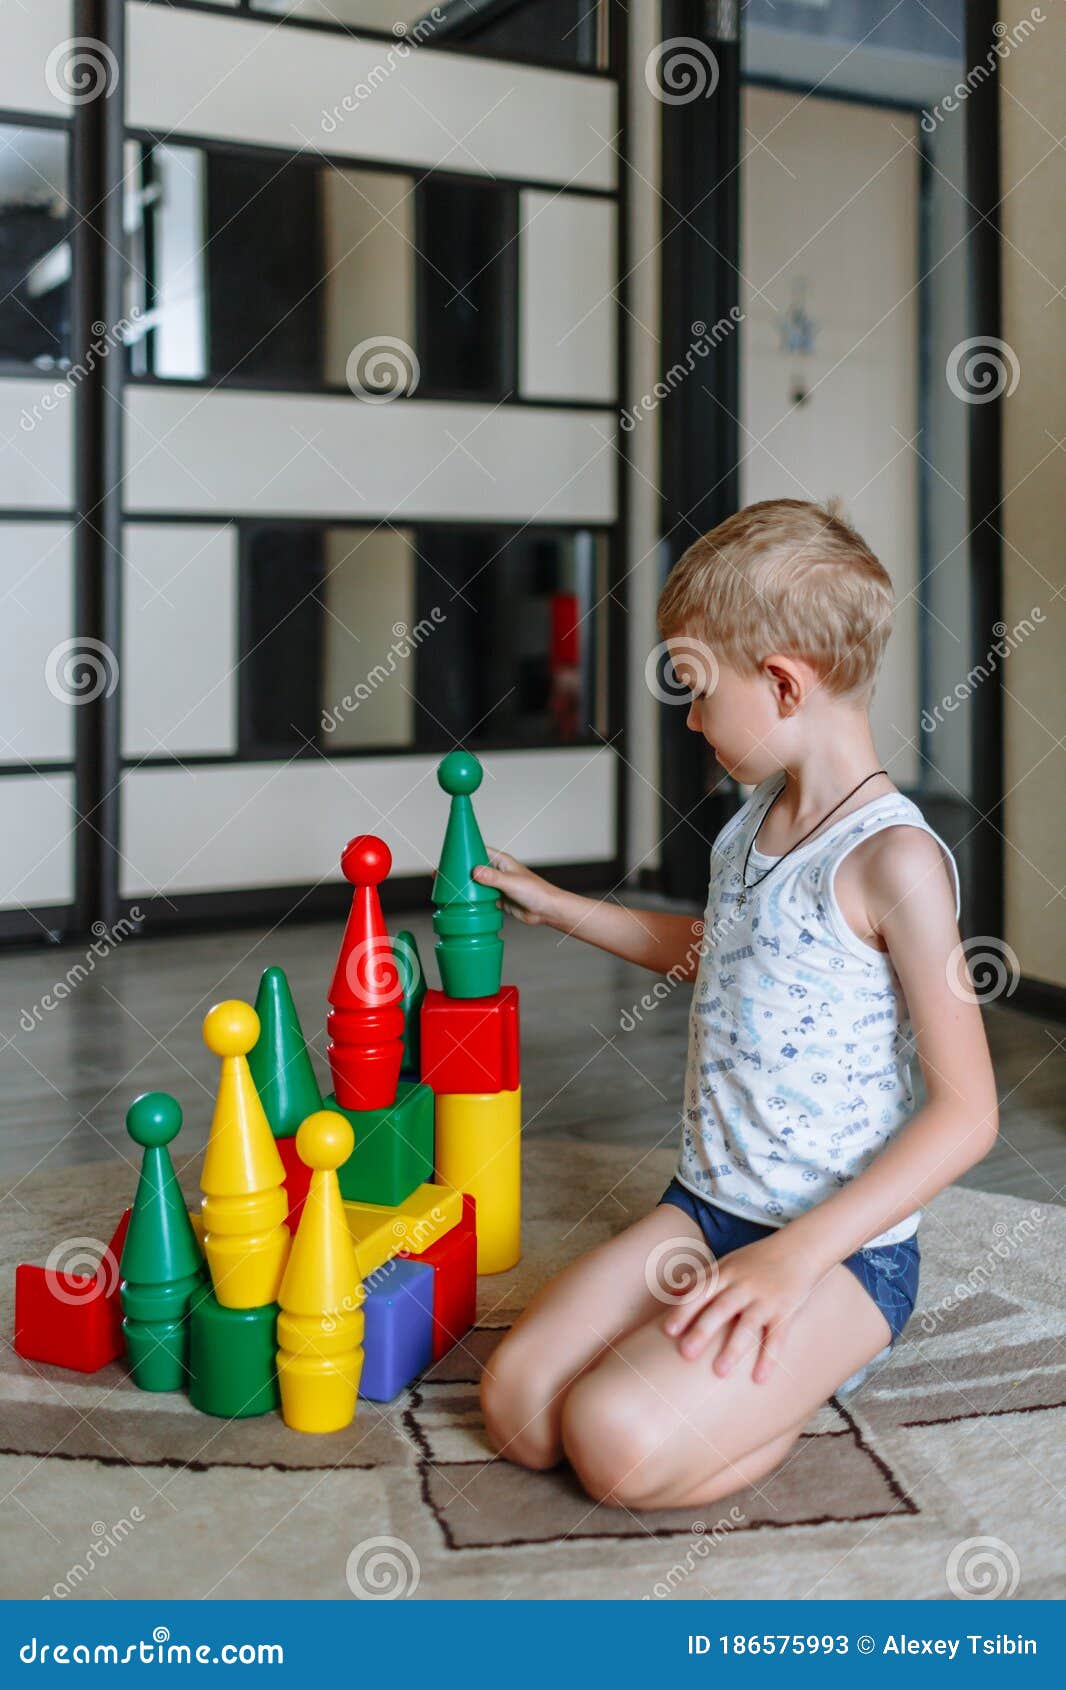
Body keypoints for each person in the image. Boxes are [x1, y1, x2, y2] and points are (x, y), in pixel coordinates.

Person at [477, 498, 997, 1510]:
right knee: (520, 1406)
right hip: (706, 1209)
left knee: (611, 1445)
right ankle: (721, 1379)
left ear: (783, 682)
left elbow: (968, 1114)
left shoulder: (894, 862)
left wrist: (792, 1261)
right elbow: (725, 957)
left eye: (697, 690)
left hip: (838, 1250)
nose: (690, 718)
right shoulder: (748, 824)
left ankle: (801, 1374)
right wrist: (565, 908)